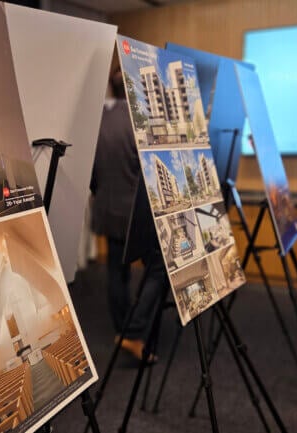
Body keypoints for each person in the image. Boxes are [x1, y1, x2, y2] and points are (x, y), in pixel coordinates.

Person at [90, 67, 166, 361]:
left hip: (107, 210)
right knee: (159, 269)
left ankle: (123, 331)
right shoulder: (144, 121)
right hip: (139, 215)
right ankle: (135, 333)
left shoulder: (100, 120)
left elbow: (92, 175)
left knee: (116, 272)